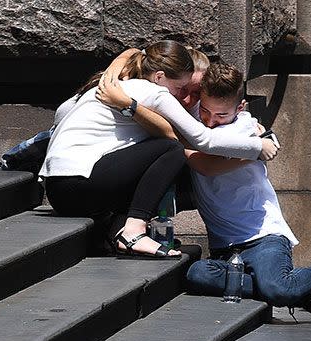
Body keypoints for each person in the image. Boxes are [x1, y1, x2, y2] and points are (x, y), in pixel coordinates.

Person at [40, 40, 278, 259]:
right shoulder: (156, 93)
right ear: (160, 77)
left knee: (158, 155)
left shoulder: (117, 86)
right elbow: (203, 140)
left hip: (57, 190)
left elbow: (62, 111)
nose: (183, 96)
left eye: (191, 92)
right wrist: (257, 147)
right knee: (171, 150)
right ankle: (133, 231)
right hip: (82, 185)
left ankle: (116, 229)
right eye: (181, 87)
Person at [181, 62, 311, 325]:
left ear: (240, 108)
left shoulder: (244, 130)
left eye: (221, 115)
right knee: (198, 274)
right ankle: (305, 296)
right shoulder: (198, 119)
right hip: (225, 246)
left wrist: (257, 149)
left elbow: (206, 164)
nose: (211, 121)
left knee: (276, 289)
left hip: (263, 237)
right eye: (206, 111)